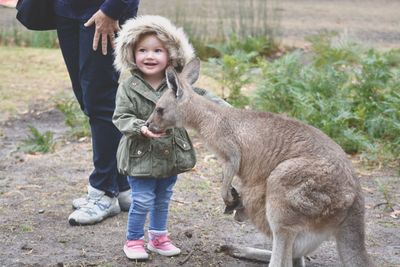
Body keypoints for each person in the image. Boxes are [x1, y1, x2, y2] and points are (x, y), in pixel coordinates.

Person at [112, 15, 230, 260]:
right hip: (141, 154)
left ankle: (158, 238)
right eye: (142, 50)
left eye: (157, 50)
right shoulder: (128, 86)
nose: (149, 56)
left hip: (170, 155)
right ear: (131, 54)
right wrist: (139, 127)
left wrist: (231, 113)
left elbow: (205, 98)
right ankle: (133, 240)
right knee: (142, 200)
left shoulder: (179, 84)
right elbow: (120, 116)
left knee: (163, 199)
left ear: (171, 55)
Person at [53, 0, 140, 226]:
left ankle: (103, 191)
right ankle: (120, 186)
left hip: (103, 11)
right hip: (66, 10)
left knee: (99, 99)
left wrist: (112, 9)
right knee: (88, 98)